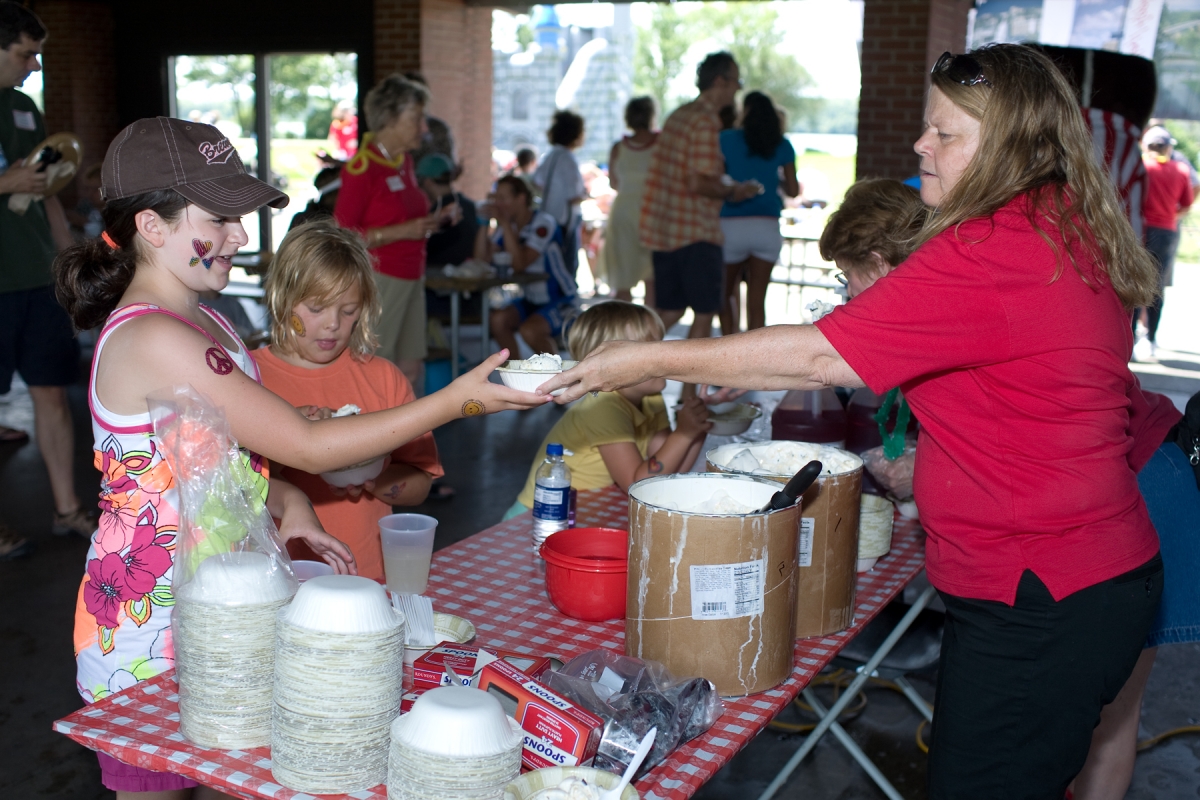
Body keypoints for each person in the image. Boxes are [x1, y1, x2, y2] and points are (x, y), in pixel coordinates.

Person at [542, 44, 1164, 799]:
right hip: (1079, 580)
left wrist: (643, 357)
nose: (919, 145)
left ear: (1010, 150)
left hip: (1040, 592)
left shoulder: (994, 248)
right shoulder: (1052, 222)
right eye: (925, 128)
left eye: (945, 134)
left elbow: (814, 359)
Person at [54, 116, 545, 798]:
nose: (241, 236)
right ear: (152, 225)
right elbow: (304, 445)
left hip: (226, 607)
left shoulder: (208, 320)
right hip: (151, 629)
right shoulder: (158, 337)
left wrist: (288, 503)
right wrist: (454, 400)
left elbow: (224, 463)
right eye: (220, 218)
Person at [257, 222, 443, 582]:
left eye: (348, 310)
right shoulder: (248, 377)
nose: (332, 325)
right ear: (282, 297)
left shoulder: (383, 378)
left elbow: (422, 483)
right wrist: (287, 428)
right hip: (279, 580)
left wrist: (374, 479)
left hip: (368, 575)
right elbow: (235, 484)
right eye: (316, 308)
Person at [0, 2, 94, 562]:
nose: (35, 65)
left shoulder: (24, 109)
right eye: (25, 53)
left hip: (37, 275)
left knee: (53, 394)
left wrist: (72, 264)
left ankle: (67, 510)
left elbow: (47, 189)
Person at [504, 301, 710, 519]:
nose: (661, 358)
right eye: (647, 352)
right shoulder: (603, 406)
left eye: (658, 346)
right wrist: (684, 434)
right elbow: (636, 484)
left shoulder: (651, 397)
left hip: (584, 512)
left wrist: (696, 429)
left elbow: (665, 476)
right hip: (538, 517)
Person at [335, 74, 455, 391]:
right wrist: (403, 230)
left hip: (413, 276)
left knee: (411, 369)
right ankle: (373, 438)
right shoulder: (362, 169)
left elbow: (404, 216)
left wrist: (434, 219)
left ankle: (408, 439)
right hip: (380, 278)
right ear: (390, 118)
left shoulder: (404, 163)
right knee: (374, 369)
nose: (424, 128)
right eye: (416, 119)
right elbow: (342, 237)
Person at [638, 52, 760, 352]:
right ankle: (691, 397)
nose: (737, 89)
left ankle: (621, 365)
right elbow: (698, 182)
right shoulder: (705, 121)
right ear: (720, 81)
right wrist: (735, 191)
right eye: (736, 81)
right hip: (696, 232)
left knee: (670, 311)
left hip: (665, 230)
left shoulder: (679, 115)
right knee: (705, 313)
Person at [718, 90, 800, 334]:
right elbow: (794, 190)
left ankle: (727, 345)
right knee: (757, 300)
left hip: (731, 223)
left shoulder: (725, 139)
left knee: (725, 295)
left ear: (746, 112)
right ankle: (753, 358)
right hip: (767, 225)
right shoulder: (782, 144)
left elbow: (716, 178)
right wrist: (775, 181)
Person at [475, 175, 577, 357]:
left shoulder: (543, 223)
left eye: (502, 199)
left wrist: (504, 224)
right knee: (498, 321)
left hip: (561, 299)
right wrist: (483, 223)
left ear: (521, 199)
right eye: (495, 198)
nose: (497, 204)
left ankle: (558, 379)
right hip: (530, 299)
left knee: (530, 331)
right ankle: (515, 375)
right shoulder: (508, 225)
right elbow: (481, 261)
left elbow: (520, 264)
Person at [1134, 125, 1193, 362]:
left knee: (1135, 283)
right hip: (1166, 232)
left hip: (1141, 230)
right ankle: (1151, 339)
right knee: (1157, 287)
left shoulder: (1141, 168)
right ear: (1167, 148)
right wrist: (1170, 216)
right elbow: (1186, 204)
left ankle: (1130, 336)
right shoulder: (1181, 170)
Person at [597, 97, 658, 305]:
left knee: (622, 279)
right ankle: (651, 333)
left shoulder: (619, 147)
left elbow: (614, 183)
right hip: (653, 213)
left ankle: (626, 332)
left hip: (623, 213)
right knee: (652, 278)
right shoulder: (661, 144)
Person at [533, 110, 586, 274]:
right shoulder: (568, 159)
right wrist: (585, 195)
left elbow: (536, 180)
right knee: (567, 264)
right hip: (565, 220)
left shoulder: (550, 155)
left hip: (549, 214)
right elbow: (574, 196)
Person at [417, 153, 477, 267]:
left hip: (437, 278)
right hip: (466, 275)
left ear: (428, 182)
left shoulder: (437, 213)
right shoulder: (469, 205)